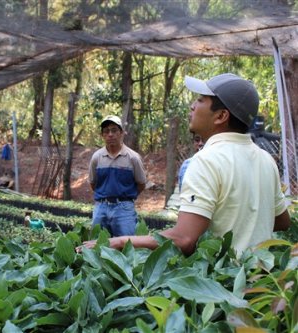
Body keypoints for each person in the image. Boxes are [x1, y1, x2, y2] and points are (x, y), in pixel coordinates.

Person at [81, 73, 290, 255]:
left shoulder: (207, 160)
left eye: (200, 100)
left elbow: (184, 239)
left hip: (223, 283)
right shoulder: (266, 159)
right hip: (263, 283)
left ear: (221, 116)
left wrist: (117, 242)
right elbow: (282, 221)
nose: (192, 105)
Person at [88, 115, 147, 237]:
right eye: (106, 131)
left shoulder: (133, 158)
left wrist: (125, 198)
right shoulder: (97, 158)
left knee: (126, 246)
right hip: (101, 207)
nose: (110, 134)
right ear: (102, 135)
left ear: (122, 133)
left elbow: (141, 184)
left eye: (114, 130)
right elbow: (93, 183)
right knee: (97, 245)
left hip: (124, 209)